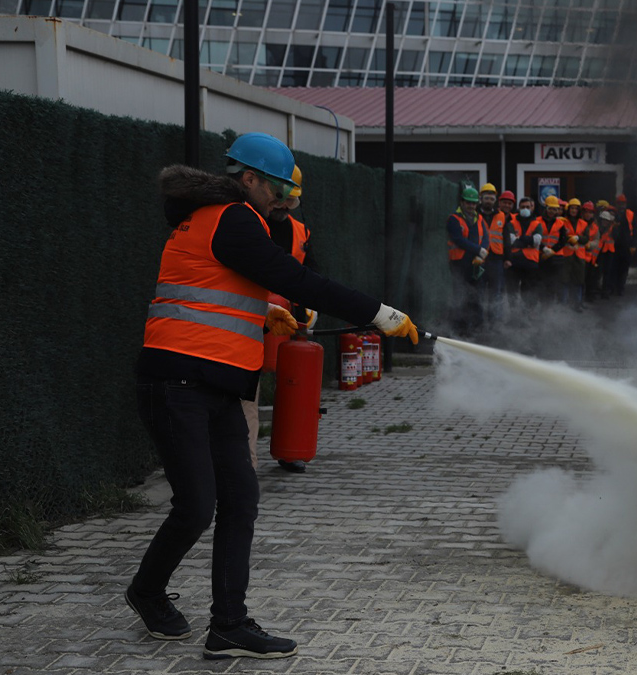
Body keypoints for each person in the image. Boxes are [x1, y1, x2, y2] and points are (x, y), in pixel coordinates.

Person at [130, 132, 420, 660]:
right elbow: (296, 277)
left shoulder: (209, 216)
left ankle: (229, 626)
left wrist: (266, 312)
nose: (283, 200)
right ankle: (146, 592)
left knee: (240, 500)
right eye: (279, 188)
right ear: (250, 179)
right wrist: (380, 315)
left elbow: (206, 281)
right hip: (179, 383)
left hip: (216, 382)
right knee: (197, 506)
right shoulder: (234, 216)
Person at [258, 169, 319, 474]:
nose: (283, 207)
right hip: (250, 316)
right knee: (245, 386)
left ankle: (289, 448)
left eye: (291, 202)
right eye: (281, 199)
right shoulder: (250, 224)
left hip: (288, 320)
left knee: (292, 382)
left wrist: (309, 308)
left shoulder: (300, 232)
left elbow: (313, 274)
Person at [446, 186, 489, 337]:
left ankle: (478, 332)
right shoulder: (454, 219)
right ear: (462, 202)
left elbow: (485, 237)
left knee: (476, 298)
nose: (471, 206)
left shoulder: (480, 219)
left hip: (476, 265)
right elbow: (458, 240)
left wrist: (482, 253)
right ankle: (458, 331)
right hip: (459, 265)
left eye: (473, 203)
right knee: (460, 297)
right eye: (468, 202)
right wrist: (478, 250)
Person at [505, 196, 541, 307]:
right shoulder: (511, 223)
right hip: (514, 261)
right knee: (512, 289)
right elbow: (511, 241)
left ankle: (528, 314)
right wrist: (528, 241)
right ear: (518, 208)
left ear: (532, 208)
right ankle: (514, 313)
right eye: (522, 207)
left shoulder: (537, 224)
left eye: (527, 207)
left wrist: (520, 238)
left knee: (529, 290)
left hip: (531, 262)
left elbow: (537, 241)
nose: (525, 209)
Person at [478, 183, 507, 322]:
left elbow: (506, 238)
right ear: (481, 198)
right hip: (480, 258)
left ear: (495, 200)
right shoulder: (475, 214)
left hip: (496, 259)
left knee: (496, 293)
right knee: (480, 291)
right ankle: (480, 321)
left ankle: (495, 322)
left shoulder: (501, 216)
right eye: (486, 198)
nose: (489, 201)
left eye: (491, 198)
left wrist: (508, 258)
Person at [610, 195, 636, 296]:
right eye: (620, 203)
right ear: (616, 204)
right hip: (614, 245)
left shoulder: (631, 214)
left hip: (626, 245)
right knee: (614, 268)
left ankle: (620, 288)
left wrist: (633, 244)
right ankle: (613, 287)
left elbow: (635, 230)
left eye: (623, 203)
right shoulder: (612, 214)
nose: (622, 206)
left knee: (624, 268)